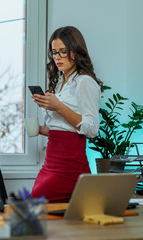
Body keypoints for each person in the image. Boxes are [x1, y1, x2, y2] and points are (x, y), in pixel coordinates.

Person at [31, 26, 103, 203]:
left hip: (69, 164)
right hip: (51, 162)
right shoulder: (58, 84)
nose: (57, 57)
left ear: (76, 51)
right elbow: (65, 128)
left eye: (63, 52)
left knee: (31, 206)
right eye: (54, 52)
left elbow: (92, 129)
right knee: (48, 216)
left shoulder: (85, 82)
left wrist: (58, 107)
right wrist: (43, 130)